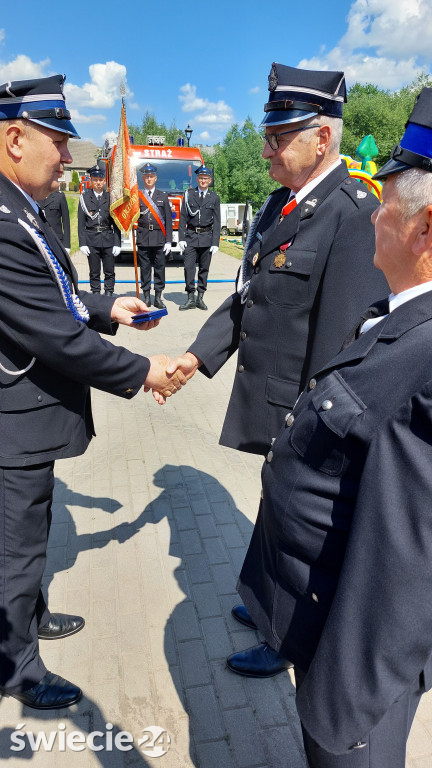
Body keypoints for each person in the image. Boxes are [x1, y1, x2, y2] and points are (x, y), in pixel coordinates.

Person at [225, 86, 432, 767]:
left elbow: (408, 559)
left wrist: (349, 706)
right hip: (321, 623)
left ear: (425, 229)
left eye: (386, 203)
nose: (375, 216)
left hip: (355, 680)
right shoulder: (398, 318)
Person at [164, 63, 388, 673]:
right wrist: (194, 357)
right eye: (267, 135)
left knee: (299, 525)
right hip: (275, 400)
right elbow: (248, 297)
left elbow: (342, 343)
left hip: (308, 412)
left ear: (322, 138)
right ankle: (265, 602)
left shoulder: (352, 212)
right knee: (273, 509)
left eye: (277, 137)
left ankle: (287, 636)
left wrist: (312, 429)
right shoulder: (279, 204)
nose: (265, 149)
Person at [0, 74, 186, 710]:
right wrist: (142, 371)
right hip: (14, 419)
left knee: (29, 531)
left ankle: (27, 618)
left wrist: (109, 308)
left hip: (25, 416)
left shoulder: (18, 205)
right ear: (15, 139)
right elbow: (54, 335)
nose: (66, 159)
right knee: (16, 544)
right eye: (58, 143)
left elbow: (55, 293)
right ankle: (16, 665)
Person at [178, 165, 221, 310]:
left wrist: (215, 242)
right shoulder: (189, 195)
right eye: (201, 178)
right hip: (190, 237)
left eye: (206, 178)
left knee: (204, 269)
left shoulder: (214, 197)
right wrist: (181, 238)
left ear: (210, 180)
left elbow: (217, 221)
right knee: (188, 268)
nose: (203, 181)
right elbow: (183, 218)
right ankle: (190, 297)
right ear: (197, 179)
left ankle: (200, 298)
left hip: (207, 238)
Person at [78, 165, 121, 295]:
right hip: (92, 239)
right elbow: (81, 223)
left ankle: (109, 293)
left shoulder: (110, 197)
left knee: (109, 271)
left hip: (108, 238)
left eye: (100, 180)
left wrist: (117, 243)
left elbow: (116, 223)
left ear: (104, 181)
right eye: (95, 180)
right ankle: (96, 294)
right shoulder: (85, 198)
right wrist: (82, 243)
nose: (98, 182)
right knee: (94, 271)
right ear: (91, 180)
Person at [136, 163, 172, 308]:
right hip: (143, 237)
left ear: (155, 178)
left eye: (151, 176)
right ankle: (146, 297)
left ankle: (158, 297)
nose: (149, 179)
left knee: (159, 268)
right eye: (146, 176)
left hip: (159, 238)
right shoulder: (137, 196)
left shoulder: (163, 196)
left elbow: (168, 220)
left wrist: (169, 241)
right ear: (143, 178)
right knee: (144, 269)